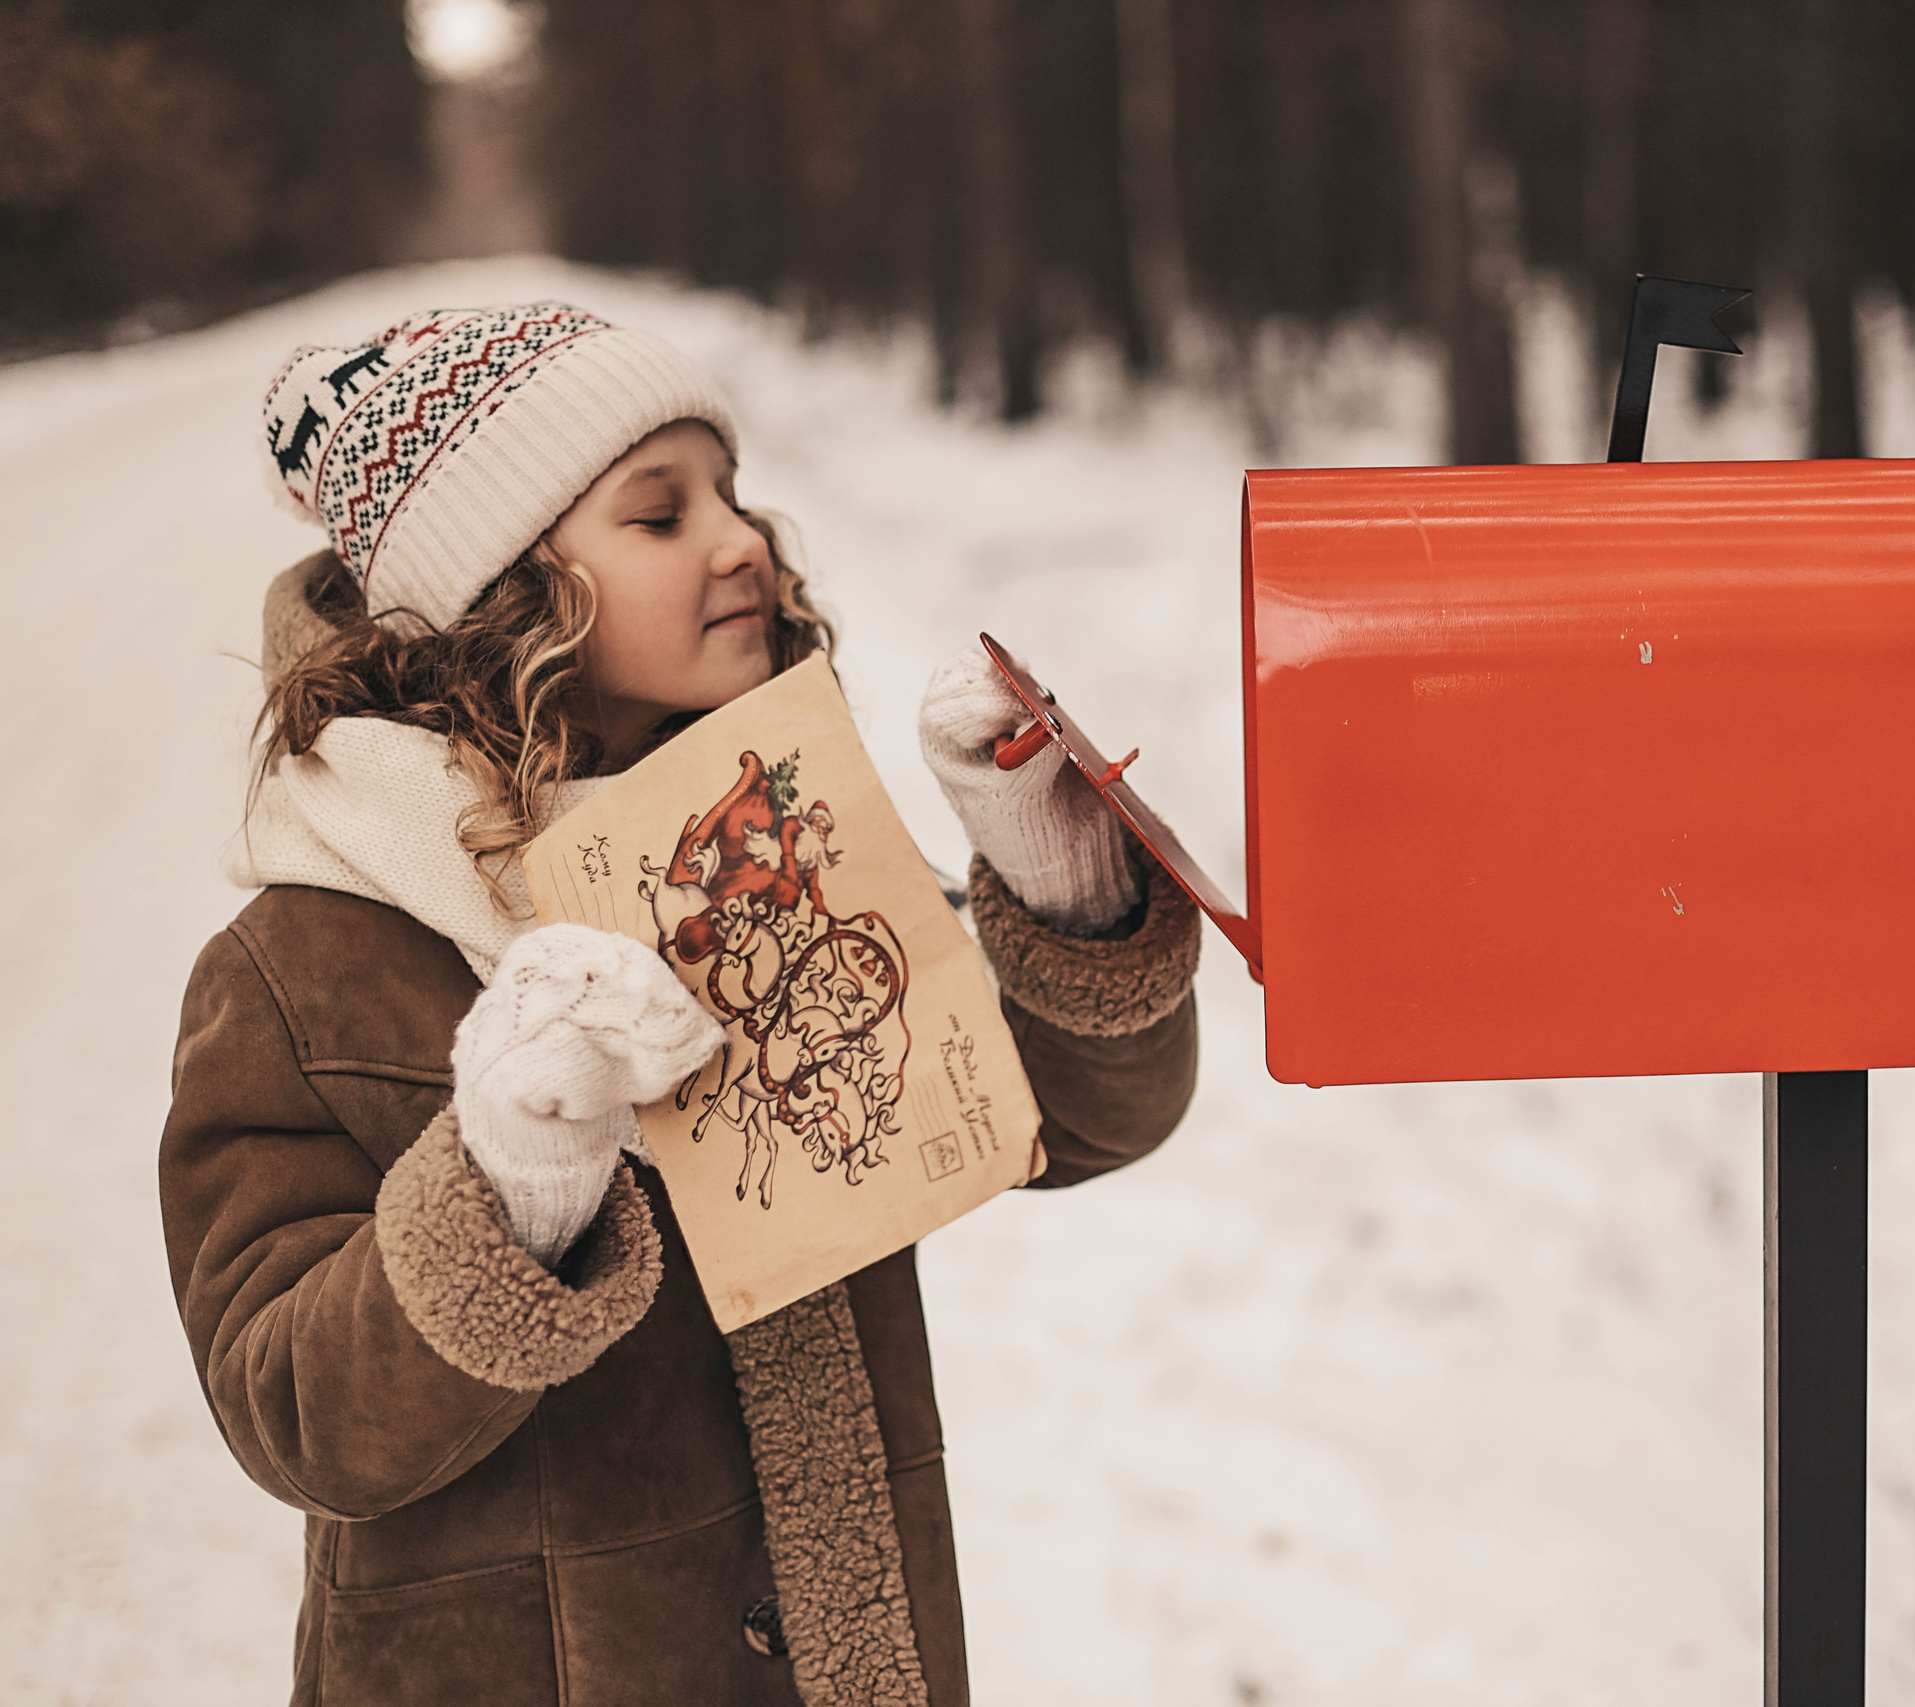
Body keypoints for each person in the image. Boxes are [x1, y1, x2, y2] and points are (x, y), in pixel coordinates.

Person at [161, 302, 1200, 1705]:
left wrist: (1058, 877)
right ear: (500, 601)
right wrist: (510, 1187)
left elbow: (1063, 1126)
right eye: (660, 516)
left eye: (732, 492)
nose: (742, 541)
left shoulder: (767, 863)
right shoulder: (302, 966)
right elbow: (292, 1417)